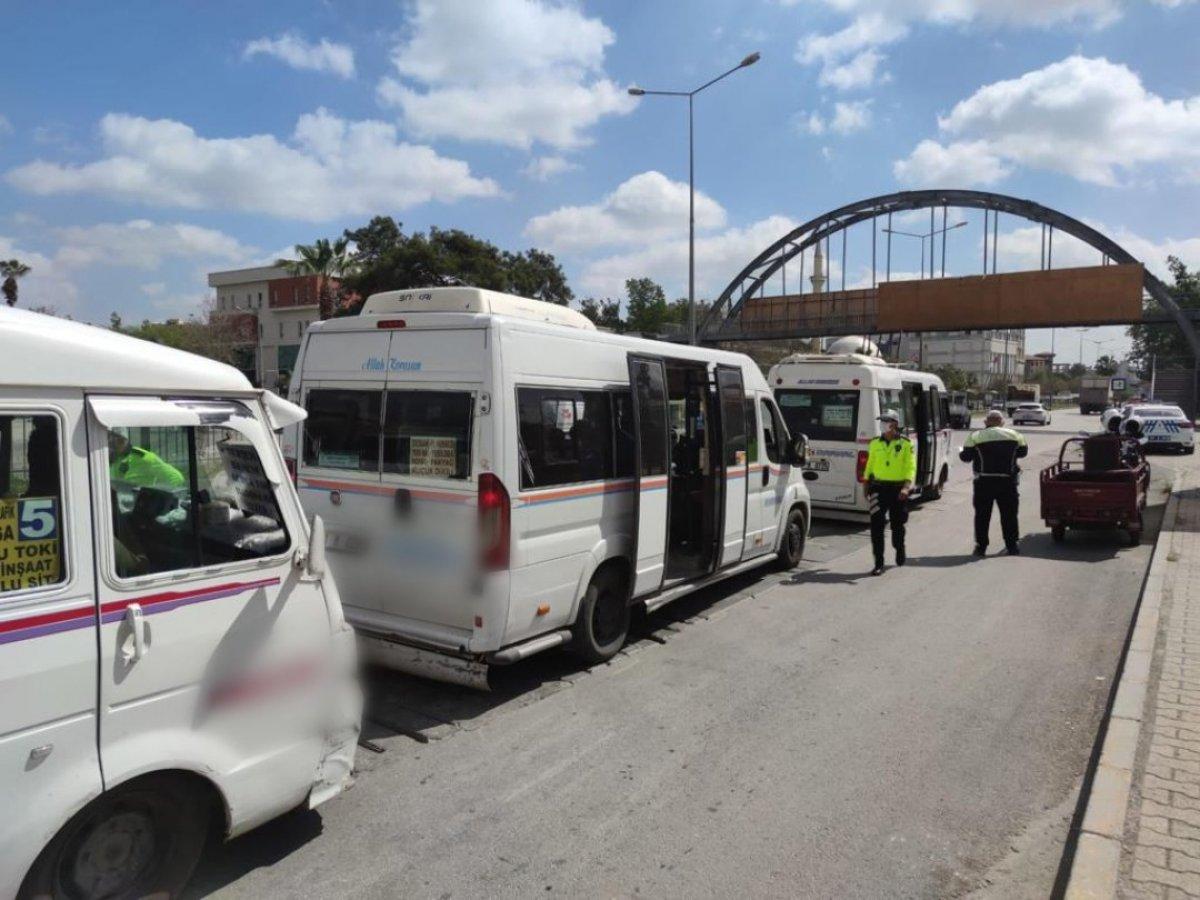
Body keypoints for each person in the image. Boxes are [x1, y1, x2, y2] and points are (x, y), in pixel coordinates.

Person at [960, 409, 1028, 556]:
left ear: (986, 422)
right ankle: (1012, 546)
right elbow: (1023, 452)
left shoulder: (976, 436)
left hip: (984, 482)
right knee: (1009, 515)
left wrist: (962, 451)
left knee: (982, 516)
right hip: (1008, 482)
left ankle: (981, 547)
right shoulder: (1015, 435)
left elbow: (966, 457)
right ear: (1002, 422)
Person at [863, 410, 916, 576]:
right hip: (878, 488)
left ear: (894, 424)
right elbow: (870, 465)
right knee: (876, 526)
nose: (882, 424)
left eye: (886, 421)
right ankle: (878, 562)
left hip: (898, 489)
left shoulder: (906, 444)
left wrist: (906, 487)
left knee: (897, 525)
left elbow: (910, 466)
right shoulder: (874, 443)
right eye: (881, 421)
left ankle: (899, 548)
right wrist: (865, 483)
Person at [108, 430, 186, 489]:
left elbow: (176, 478)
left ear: (122, 442)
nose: (109, 448)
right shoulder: (111, 459)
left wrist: (154, 494)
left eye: (112, 444)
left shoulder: (144, 458)